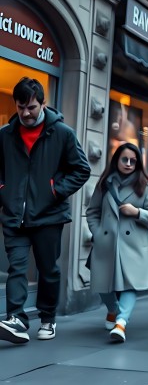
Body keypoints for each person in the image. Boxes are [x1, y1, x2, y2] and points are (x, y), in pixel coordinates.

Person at [0, 77, 91, 344]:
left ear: (43, 103)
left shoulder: (62, 133)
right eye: (20, 107)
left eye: (31, 107)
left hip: (49, 215)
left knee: (48, 269)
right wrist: (3, 190)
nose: (26, 113)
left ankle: (48, 318)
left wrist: (54, 191)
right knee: (16, 268)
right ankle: (16, 318)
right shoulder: (5, 135)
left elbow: (81, 169)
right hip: (14, 214)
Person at [86, 143, 148, 343]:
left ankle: (121, 323)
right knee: (103, 285)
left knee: (130, 286)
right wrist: (98, 233)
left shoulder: (145, 185)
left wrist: (136, 212)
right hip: (107, 243)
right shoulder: (105, 183)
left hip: (133, 246)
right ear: (117, 160)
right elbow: (92, 212)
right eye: (125, 159)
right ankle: (113, 310)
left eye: (133, 160)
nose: (129, 164)